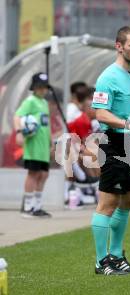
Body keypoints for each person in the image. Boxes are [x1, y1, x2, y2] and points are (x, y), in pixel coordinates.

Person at [91, 26, 130, 276]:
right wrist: (128, 126)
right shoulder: (107, 77)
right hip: (114, 142)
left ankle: (116, 255)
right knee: (108, 202)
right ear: (119, 46)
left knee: (128, 200)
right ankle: (101, 261)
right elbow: (100, 113)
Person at [13, 72, 52, 218]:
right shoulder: (30, 101)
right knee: (33, 174)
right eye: (40, 87)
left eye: (45, 87)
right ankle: (28, 207)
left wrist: (49, 141)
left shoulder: (44, 103)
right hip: (33, 145)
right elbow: (17, 116)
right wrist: (19, 132)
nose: (43, 90)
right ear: (34, 87)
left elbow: (46, 125)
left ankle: (37, 206)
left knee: (44, 174)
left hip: (43, 147)